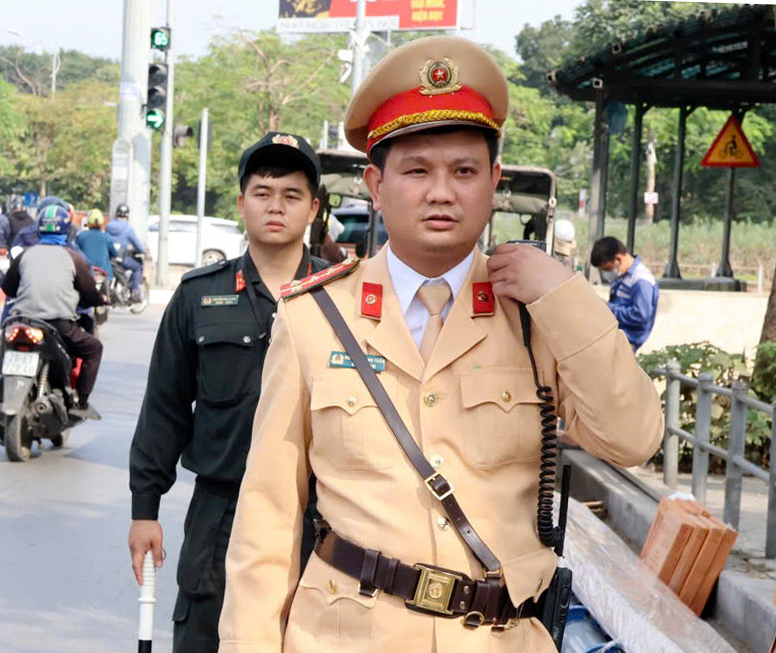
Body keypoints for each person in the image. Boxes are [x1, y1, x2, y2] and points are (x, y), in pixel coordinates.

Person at [217, 36, 664, 653]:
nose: (441, 192)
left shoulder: (536, 315)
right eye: (417, 171)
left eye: (464, 171)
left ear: (494, 182)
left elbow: (633, 439)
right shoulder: (315, 315)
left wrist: (565, 296)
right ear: (376, 185)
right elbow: (267, 516)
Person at [127, 132, 330, 653]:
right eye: (263, 193)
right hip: (222, 514)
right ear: (242, 203)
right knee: (206, 638)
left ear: (313, 209)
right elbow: (164, 408)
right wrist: (145, 509)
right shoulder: (199, 295)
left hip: (324, 520)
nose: (275, 206)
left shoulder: (343, 295)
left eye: (291, 195)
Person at [0, 204, 106, 420]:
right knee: (94, 348)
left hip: (22, 320)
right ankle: (82, 401)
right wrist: (99, 299)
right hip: (58, 325)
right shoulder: (74, 258)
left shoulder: (26, 254)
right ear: (66, 230)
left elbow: (8, 288)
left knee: (4, 343)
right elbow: (89, 293)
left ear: (39, 229)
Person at [590, 236, 659, 352]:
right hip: (614, 337)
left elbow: (641, 315)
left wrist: (608, 308)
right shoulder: (623, 276)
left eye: (607, 269)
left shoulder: (641, 280)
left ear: (618, 258)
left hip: (627, 341)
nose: (606, 274)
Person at [105, 203, 148, 302]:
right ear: (127, 215)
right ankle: (134, 292)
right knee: (137, 268)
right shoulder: (128, 229)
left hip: (109, 258)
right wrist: (143, 251)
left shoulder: (108, 226)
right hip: (121, 259)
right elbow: (137, 245)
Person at [76, 209, 117, 280]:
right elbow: (114, 254)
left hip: (86, 274)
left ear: (88, 222)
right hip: (105, 275)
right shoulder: (106, 237)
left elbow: (75, 252)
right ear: (102, 223)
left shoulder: (81, 236)